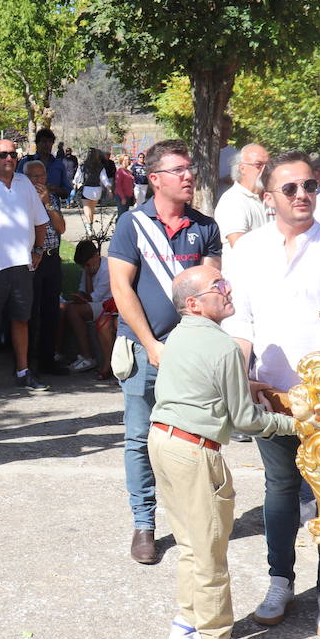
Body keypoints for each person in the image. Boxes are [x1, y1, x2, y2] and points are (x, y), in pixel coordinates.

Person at [220, 151, 320, 639]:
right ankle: (279, 582)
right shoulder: (247, 252)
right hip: (269, 392)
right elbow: (240, 319)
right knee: (280, 488)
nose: (302, 195)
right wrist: (242, 375)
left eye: (309, 185)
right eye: (290, 189)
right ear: (268, 199)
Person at [153, 264, 300, 639]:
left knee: (189, 542)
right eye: (219, 286)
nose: (228, 289)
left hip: (163, 442)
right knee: (211, 549)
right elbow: (245, 421)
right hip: (196, 452)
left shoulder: (178, 335)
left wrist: (244, 387)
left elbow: (206, 387)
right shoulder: (222, 347)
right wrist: (295, 423)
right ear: (195, 303)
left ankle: (187, 620)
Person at [108, 139, 221, 565]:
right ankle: (144, 524)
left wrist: (193, 346)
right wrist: (153, 345)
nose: (188, 175)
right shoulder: (131, 225)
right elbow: (121, 288)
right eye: (178, 170)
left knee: (198, 437)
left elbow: (212, 291)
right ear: (154, 179)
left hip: (192, 355)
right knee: (139, 439)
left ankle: (194, 517)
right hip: (143, 351)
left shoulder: (204, 227)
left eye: (189, 168)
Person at [0, 139, 51, 395]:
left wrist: (38, 249)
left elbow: (40, 220)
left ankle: (23, 373)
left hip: (22, 266)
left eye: (13, 154)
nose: (9, 159)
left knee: (21, 320)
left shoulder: (25, 184)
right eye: (3, 154)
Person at [22, 158, 71, 378]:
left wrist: (47, 203)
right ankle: (29, 363)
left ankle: (48, 360)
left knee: (51, 311)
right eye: (35, 177)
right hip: (31, 260)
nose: (39, 180)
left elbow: (61, 228)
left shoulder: (50, 198)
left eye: (42, 176)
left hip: (51, 259)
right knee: (31, 312)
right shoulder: (20, 198)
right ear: (25, 178)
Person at [62, 239, 114, 377]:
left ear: (96, 256)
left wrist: (89, 280)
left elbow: (94, 297)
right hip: (96, 303)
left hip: (107, 305)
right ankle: (61, 352)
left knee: (74, 311)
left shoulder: (106, 269)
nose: (86, 268)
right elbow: (83, 292)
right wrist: (78, 296)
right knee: (65, 307)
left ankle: (87, 355)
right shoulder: (89, 268)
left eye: (88, 265)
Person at [213, 143, 270, 250]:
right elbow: (240, 248)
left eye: (268, 165)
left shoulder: (272, 199)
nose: (265, 170)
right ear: (242, 168)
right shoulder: (232, 201)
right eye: (258, 165)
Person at [19, 129, 66, 197]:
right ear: (37, 144)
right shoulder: (25, 162)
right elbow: (17, 184)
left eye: (50, 142)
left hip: (52, 205)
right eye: (44, 141)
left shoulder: (59, 164)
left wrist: (55, 189)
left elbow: (66, 191)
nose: (47, 144)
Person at [76, 148, 112, 234]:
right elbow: (105, 180)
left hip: (87, 189)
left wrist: (76, 184)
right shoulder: (100, 167)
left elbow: (77, 177)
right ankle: (90, 226)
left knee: (87, 208)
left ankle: (88, 227)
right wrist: (109, 190)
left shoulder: (82, 166)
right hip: (97, 190)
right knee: (91, 209)